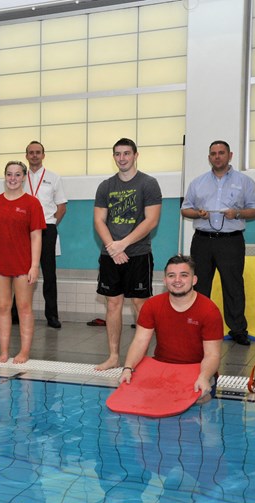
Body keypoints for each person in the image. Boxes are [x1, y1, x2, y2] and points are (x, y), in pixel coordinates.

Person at [180, 140, 255, 346]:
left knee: (233, 286)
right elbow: (185, 209)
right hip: (202, 241)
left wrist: (238, 213)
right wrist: (197, 213)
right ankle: (197, 326)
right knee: (200, 285)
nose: (217, 156)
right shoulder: (197, 182)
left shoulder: (245, 182)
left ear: (230, 155)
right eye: (213, 153)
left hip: (231, 242)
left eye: (221, 153)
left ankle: (238, 330)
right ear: (209, 157)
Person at [93, 138, 162, 371]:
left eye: (126, 153)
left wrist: (123, 244)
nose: (122, 158)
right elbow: (99, 220)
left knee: (140, 305)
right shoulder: (105, 186)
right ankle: (113, 356)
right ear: (114, 157)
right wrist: (113, 247)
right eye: (118, 154)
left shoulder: (148, 184)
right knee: (112, 305)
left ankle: (140, 358)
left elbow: (151, 221)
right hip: (110, 254)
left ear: (135, 155)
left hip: (138, 253)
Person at [118, 255, 223, 402]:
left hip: (196, 370)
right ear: (165, 280)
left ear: (194, 280)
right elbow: (140, 342)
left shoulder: (209, 311)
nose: (177, 280)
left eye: (184, 275)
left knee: (197, 401)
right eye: (171, 275)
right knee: (136, 398)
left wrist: (204, 377)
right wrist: (128, 368)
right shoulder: (152, 305)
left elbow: (212, 355)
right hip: (161, 368)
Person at [0, 160, 46, 364]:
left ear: (24, 178)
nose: (13, 178)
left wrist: (34, 265)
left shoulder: (32, 203)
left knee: (24, 307)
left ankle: (24, 351)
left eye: (17, 175)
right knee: (2, 307)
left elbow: (36, 236)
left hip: (23, 265)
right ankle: (4, 351)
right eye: (9, 174)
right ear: (4, 176)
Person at [23, 141, 67, 328]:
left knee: (49, 274)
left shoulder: (54, 178)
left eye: (38, 152)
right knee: (20, 272)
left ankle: (52, 316)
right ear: (26, 155)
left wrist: (49, 225)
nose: (34, 155)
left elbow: (61, 207)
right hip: (23, 230)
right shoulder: (19, 177)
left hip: (47, 228)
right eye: (31, 152)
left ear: (43, 155)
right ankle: (16, 313)